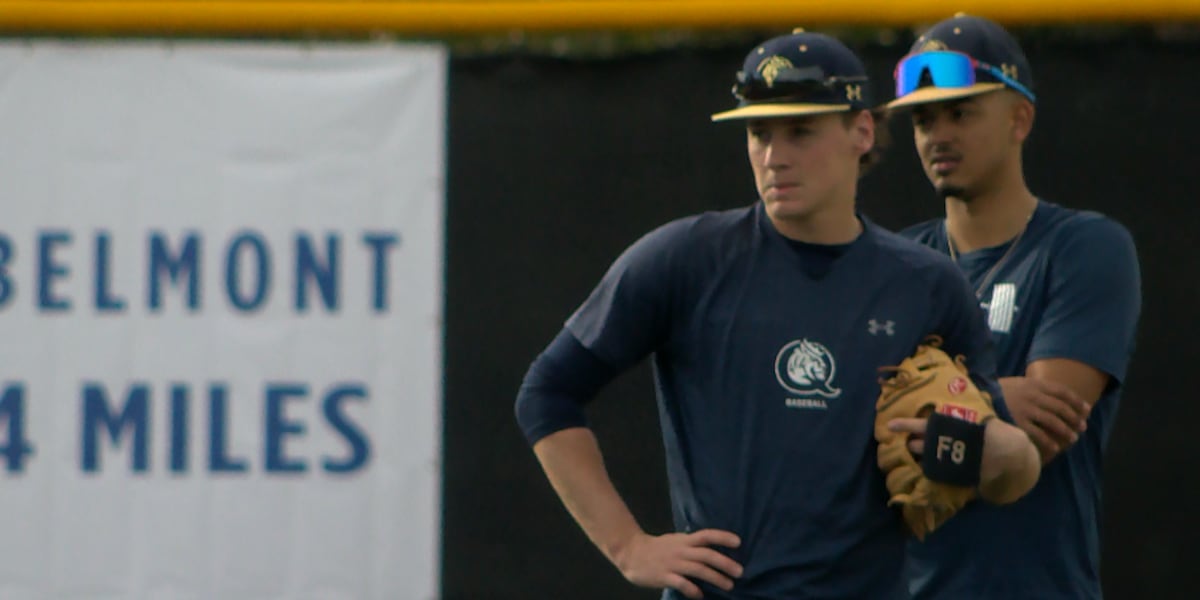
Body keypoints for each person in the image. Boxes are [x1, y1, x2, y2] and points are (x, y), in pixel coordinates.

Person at [515, 28, 1040, 600]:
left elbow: (1004, 467)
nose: (774, 155)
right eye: (759, 132)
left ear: (861, 131)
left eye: (800, 131)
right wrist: (628, 546)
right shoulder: (686, 259)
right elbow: (547, 393)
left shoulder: (927, 285)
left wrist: (1009, 454)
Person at [888, 14, 1143, 599]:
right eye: (923, 119)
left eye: (961, 113)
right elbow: (850, 435)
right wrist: (993, 404)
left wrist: (913, 420)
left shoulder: (1084, 247)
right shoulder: (892, 264)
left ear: (1020, 118)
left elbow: (1044, 430)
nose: (937, 135)